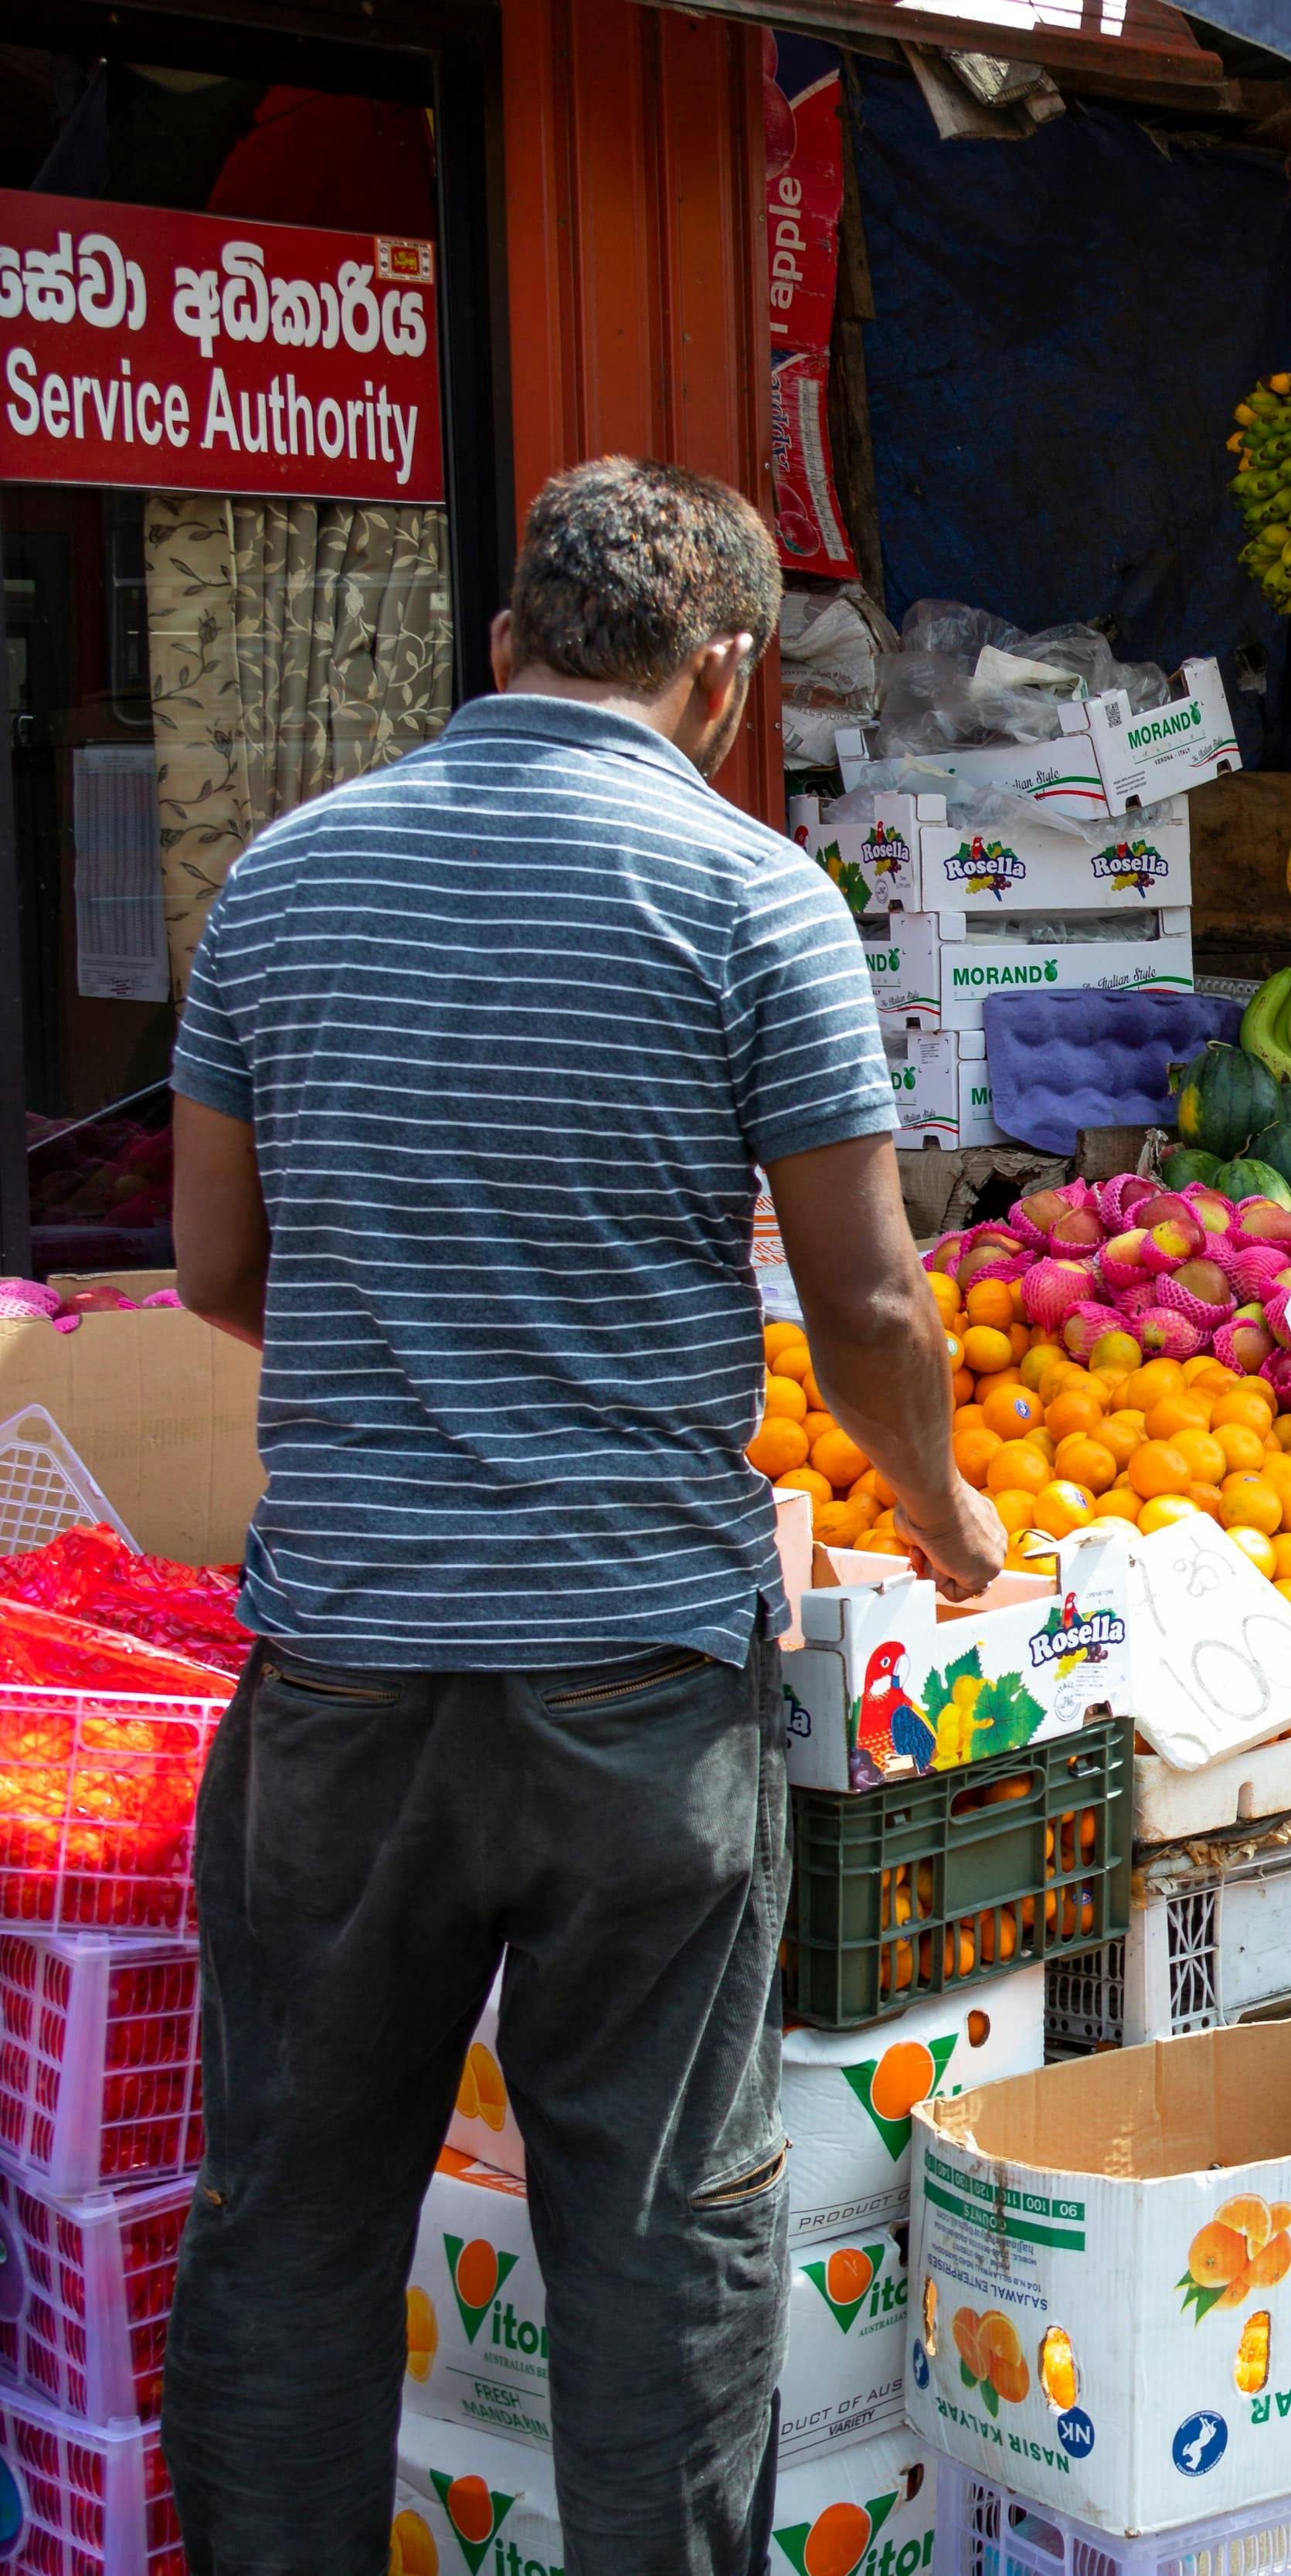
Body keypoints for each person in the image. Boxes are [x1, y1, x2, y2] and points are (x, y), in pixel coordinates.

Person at [162, 459, 1004, 2576]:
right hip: (638, 1677)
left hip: (342, 1666)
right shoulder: (750, 900)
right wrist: (944, 1504)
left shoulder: (279, 876)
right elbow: (868, 1289)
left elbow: (212, 1267)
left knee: (298, 2196)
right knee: (659, 2217)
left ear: (504, 639)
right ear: (726, 673)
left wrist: (409, 1337)